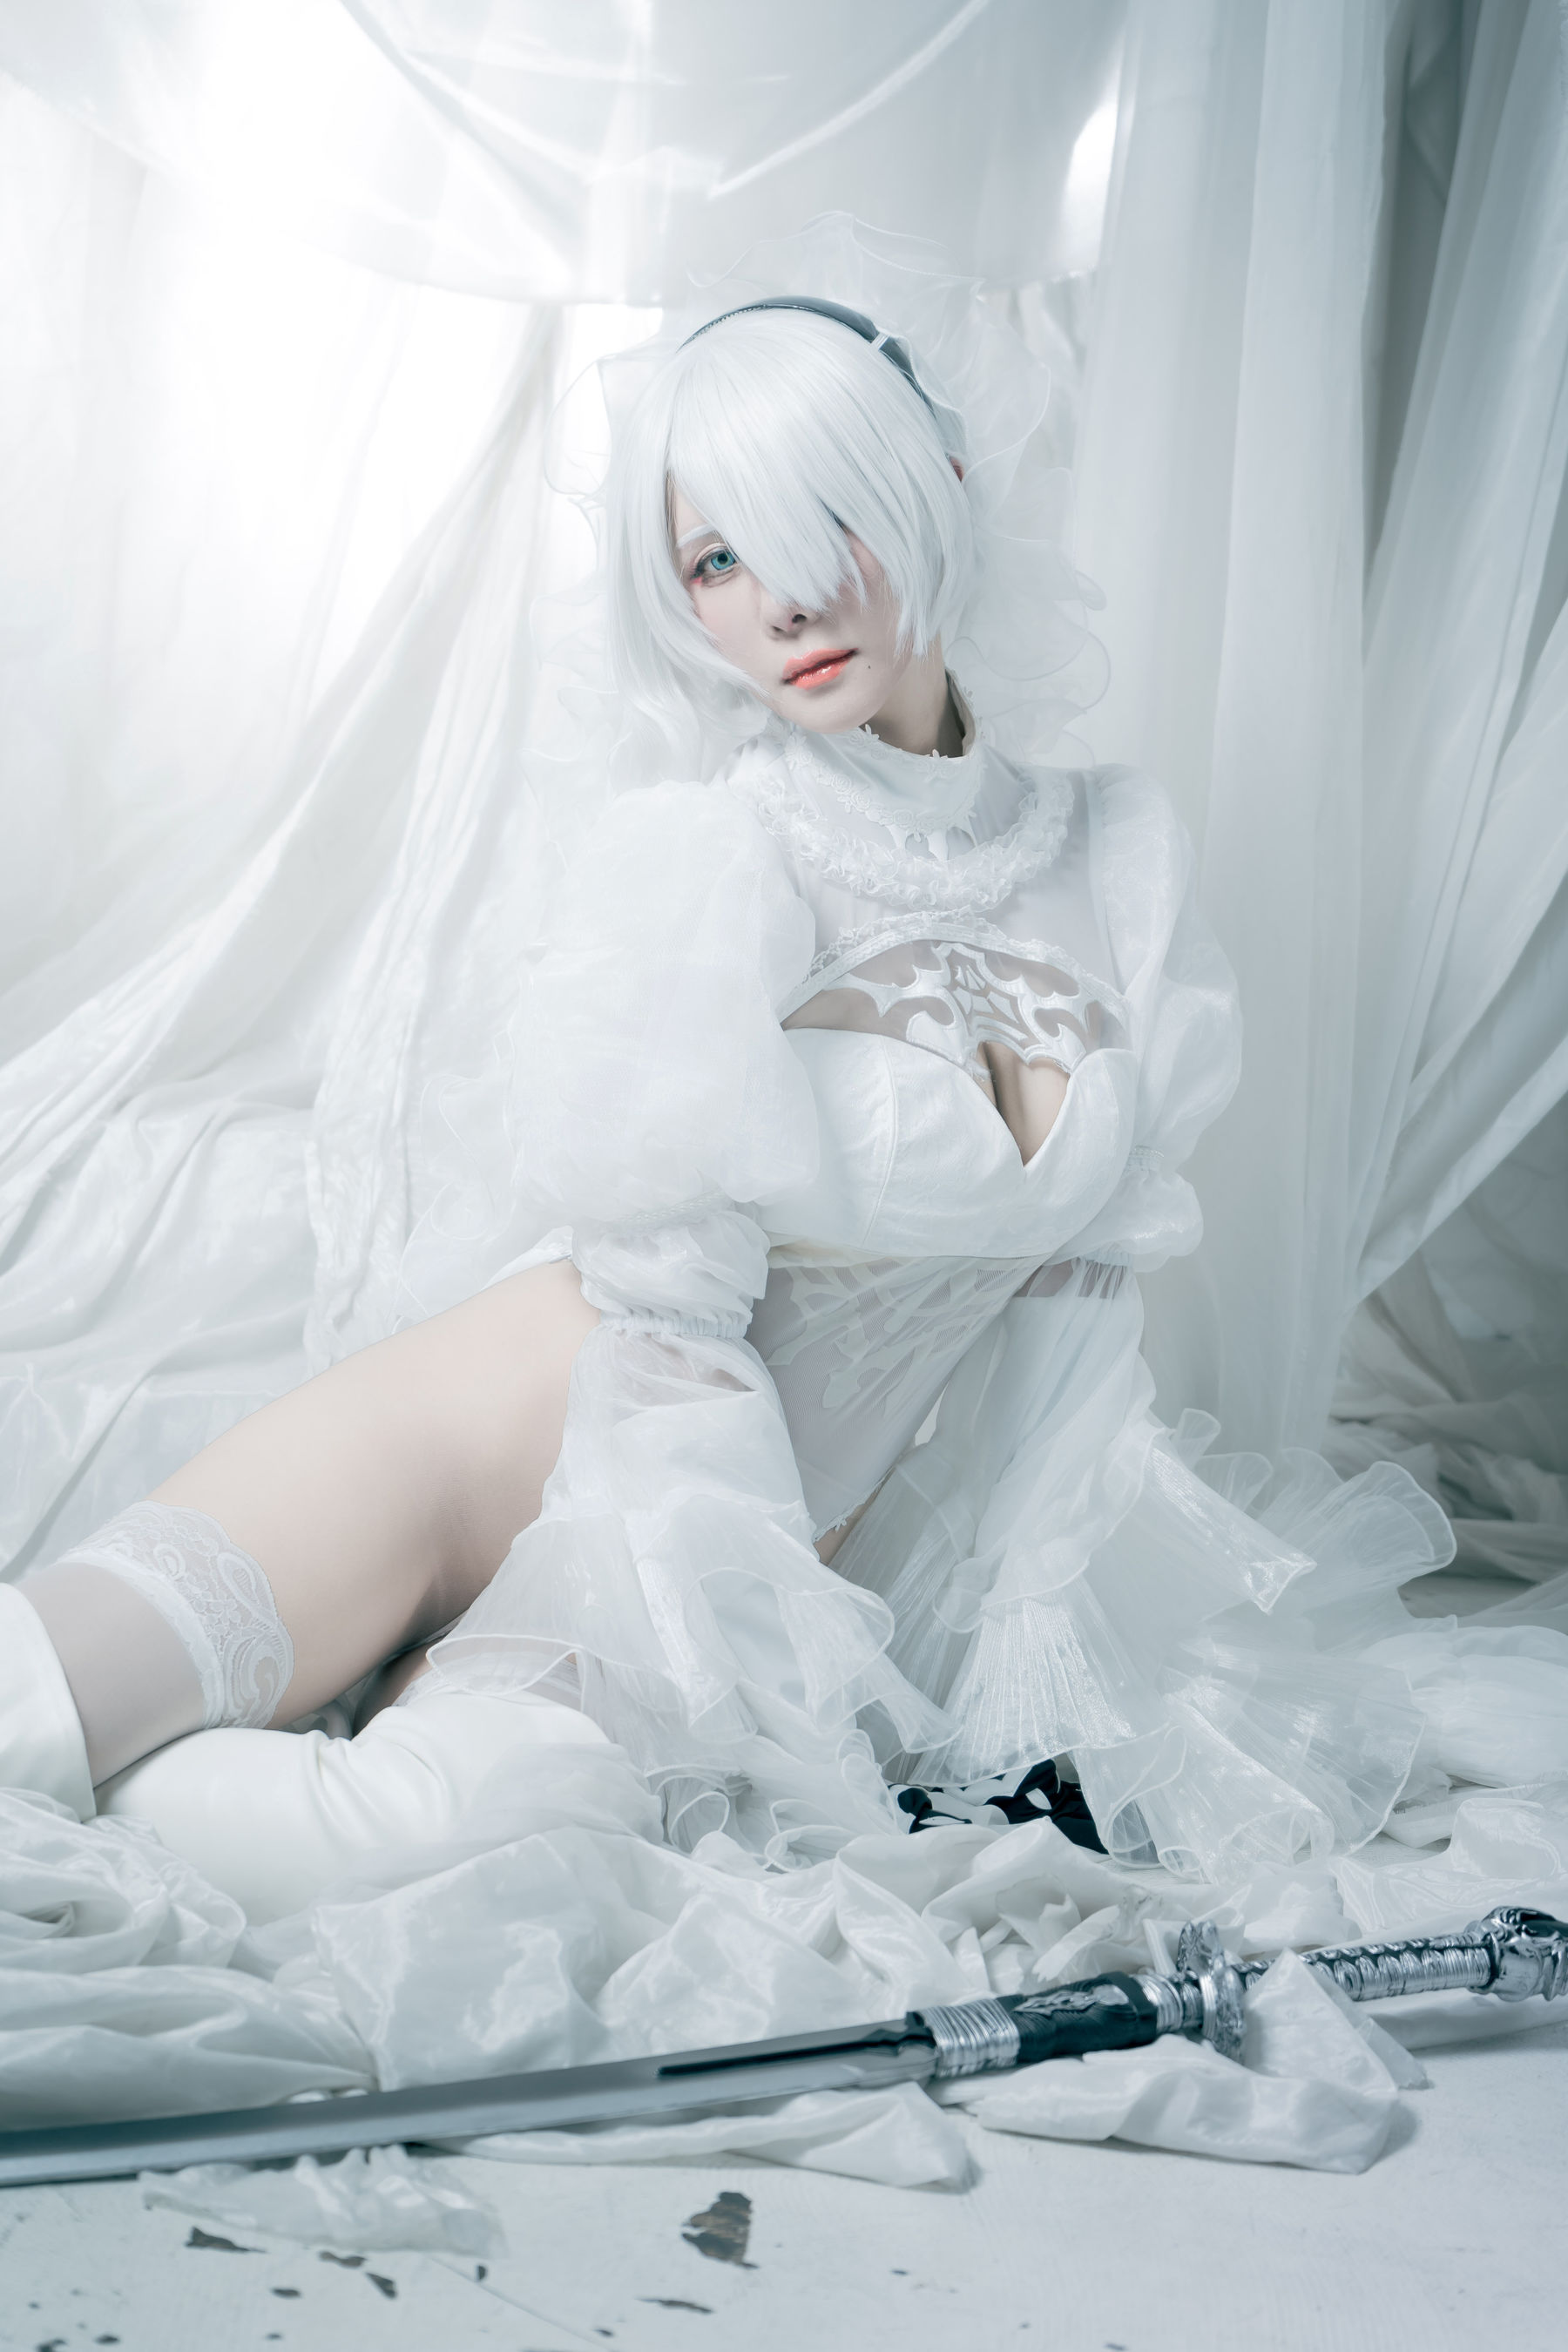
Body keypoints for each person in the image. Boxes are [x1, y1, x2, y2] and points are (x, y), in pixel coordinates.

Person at [4, 284, 1566, 1926]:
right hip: (521, 1442)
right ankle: (242, 1720)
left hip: (785, 1529)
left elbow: (1073, 1312)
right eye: (716, 561)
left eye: (829, 520)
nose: (785, 599)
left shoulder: (1123, 851)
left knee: (472, 1841)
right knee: (42, 1710)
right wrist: (744, 1651)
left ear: (940, 485)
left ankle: (296, 1731)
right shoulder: (715, 849)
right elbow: (674, 1333)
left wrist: (1013, 1671)